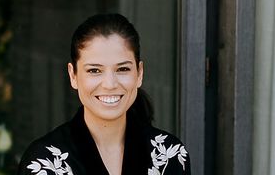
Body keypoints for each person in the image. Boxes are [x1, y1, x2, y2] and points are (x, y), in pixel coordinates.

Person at [18, 13, 190, 175]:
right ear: (73, 76)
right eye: (94, 70)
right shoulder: (43, 163)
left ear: (139, 73)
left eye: (122, 69)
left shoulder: (170, 154)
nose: (110, 84)